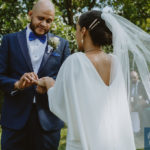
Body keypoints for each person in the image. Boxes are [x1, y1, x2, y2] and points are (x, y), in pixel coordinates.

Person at [35, 10, 138, 150]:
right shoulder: (115, 62)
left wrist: (47, 82)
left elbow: (59, 104)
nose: (76, 34)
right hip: (113, 142)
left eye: (76, 30)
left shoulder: (75, 61)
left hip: (85, 143)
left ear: (83, 31)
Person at [0, 0, 70, 149]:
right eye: (40, 18)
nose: (44, 24)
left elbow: (67, 79)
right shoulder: (9, 40)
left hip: (48, 122)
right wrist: (17, 85)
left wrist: (50, 84)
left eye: (48, 20)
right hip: (14, 120)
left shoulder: (62, 44)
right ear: (30, 15)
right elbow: (1, 75)